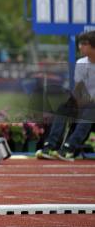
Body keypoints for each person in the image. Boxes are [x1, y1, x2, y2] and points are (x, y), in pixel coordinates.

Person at [36, 31, 95, 161]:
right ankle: (50, 146)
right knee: (64, 107)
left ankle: (69, 149)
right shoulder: (81, 63)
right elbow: (79, 89)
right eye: (80, 43)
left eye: (84, 44)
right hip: (86, 105)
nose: (80, 47)